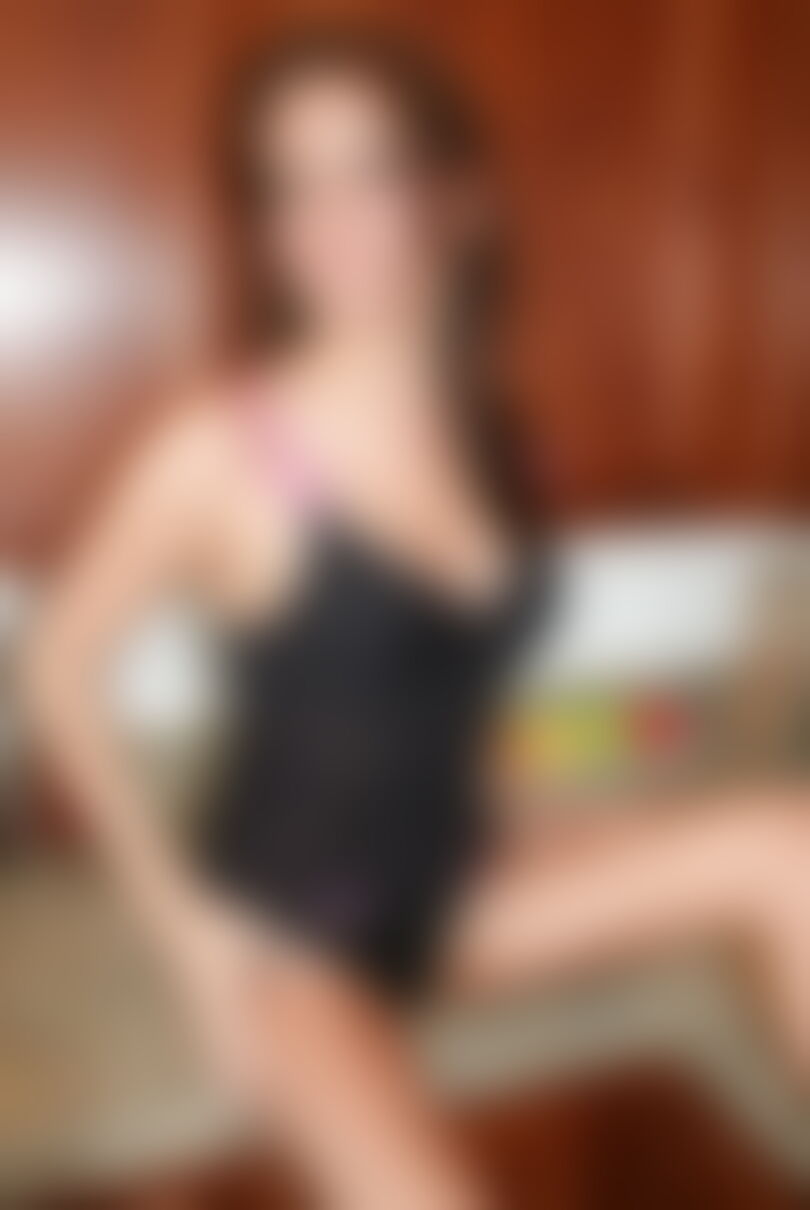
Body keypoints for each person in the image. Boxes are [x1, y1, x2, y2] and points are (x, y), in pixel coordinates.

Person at [28, 27, 808, 1210]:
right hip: (299, 934)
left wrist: (539, 799)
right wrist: (187, 933)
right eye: (291, 185)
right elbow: (57, 664)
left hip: (461, 882)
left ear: (457, 201)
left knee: (791, 841)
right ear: (267, 227)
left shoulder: (491, 436)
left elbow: (433, 682)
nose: (327, 220)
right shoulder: (223, 449)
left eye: (367, 172)